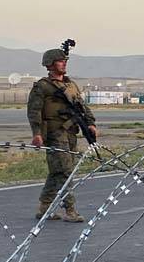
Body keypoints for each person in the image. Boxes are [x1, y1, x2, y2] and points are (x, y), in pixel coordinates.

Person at [27, 46, 97, 223]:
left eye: (65, 61)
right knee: (66, 172)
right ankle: (70, 210)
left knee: (57, 171)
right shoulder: (42, 87)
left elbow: (82, 106)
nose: (64, 63)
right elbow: (34, 111)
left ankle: (44, 207)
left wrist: (90, 123)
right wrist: (37, 133)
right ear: (50, 64)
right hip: (54, 133)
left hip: (71, 132)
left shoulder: (70, 85)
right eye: (60, 61)